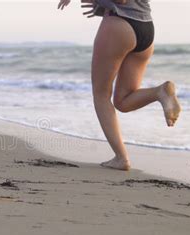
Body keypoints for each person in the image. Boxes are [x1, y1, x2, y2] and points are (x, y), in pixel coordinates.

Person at [57, 0, 181, 171]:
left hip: (120, 24)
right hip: (145, 27)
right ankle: (159, 92)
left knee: (101, 95)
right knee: (123, 101)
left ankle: (121, 158)